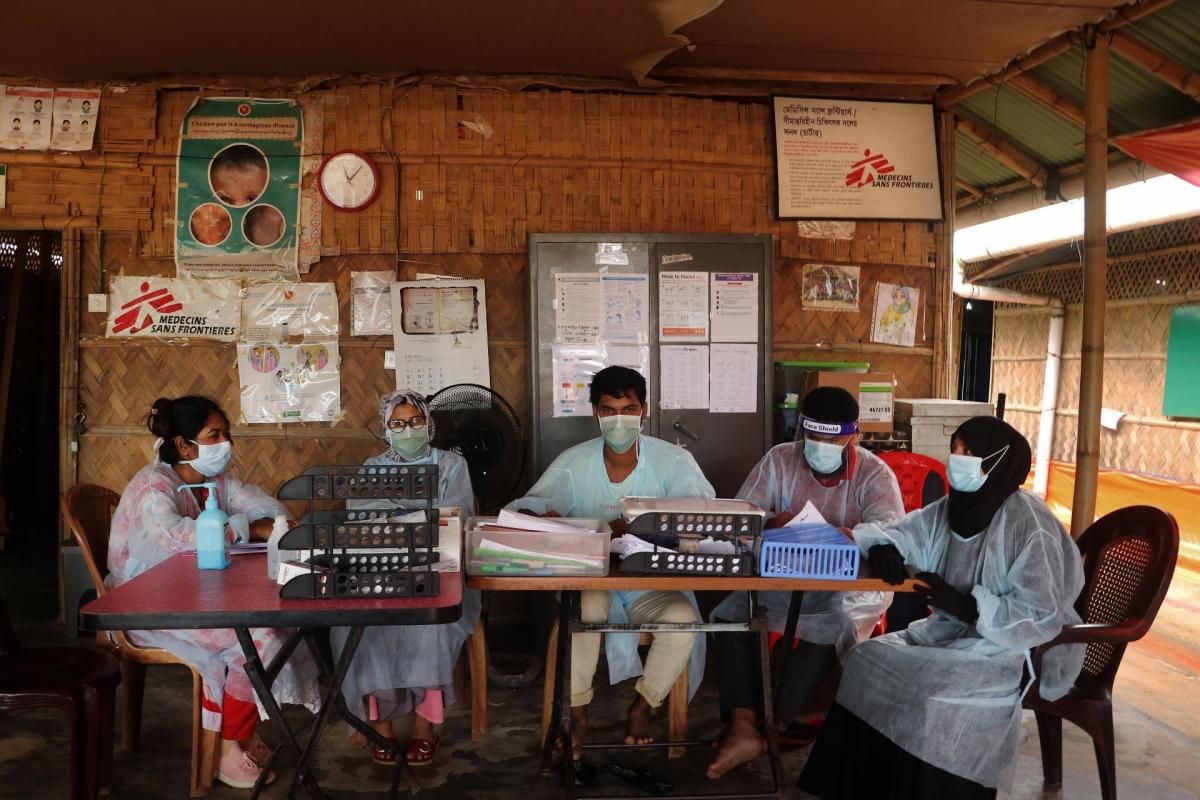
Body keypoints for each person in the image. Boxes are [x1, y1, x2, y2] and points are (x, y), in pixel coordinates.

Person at [797, 417, 1085, 799]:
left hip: (1011, 649)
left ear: (997, 460)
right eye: (956, 449)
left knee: (929, 689)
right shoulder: (955, 506)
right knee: (865, 658)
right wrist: (883, 546)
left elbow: (1041, 613)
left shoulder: (1028, 521)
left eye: (967, 451)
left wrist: (971, 609)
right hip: (952, 633)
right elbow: (907, 532)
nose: (956, 459)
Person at [107, 396, 320, 790]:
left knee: (276, 626)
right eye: (215, 435)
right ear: (184, 446)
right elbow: (172, 540)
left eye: (226, 433)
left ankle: (235, 734)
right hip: (148, 606)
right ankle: (225, 746)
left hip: (197, 598)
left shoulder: (215, 484)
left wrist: (265, 522)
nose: (226, 443)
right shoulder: (153, 485)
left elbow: (269, 509)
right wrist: (244, 529)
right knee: (257, 637)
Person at [506, 366, 714, 761]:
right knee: (584, 610)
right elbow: (527, 510)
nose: (619, 420)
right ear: (595, 413)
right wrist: (548, 520)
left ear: (645, 410)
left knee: (685, 621)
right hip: (592, 582)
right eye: (609, 410)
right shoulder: (574, 463)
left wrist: (639, 527)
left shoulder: (673, 462)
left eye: (629, 408)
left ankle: (643, 706)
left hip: (653, 585)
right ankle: (578, 712)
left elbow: (697, 520)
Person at [706, 386, 904, 779]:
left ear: (854, 433)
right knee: (730, 615)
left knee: (834, 625)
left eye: (833, 438)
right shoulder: (779, 460)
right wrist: (771, 523)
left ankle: (774, 722)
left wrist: (846, 534)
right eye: (814, 437)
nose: (822, 445)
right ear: (802, 431)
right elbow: (745, 515)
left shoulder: (872, 472)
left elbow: (892, 528)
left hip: (848, 584)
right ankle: (745, 724)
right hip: (780, 573)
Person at [331, 390, 479, 768]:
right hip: (383, 564)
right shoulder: (372, 467)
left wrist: (402, 516)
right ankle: (380, 727)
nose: (408, 429)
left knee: (431, 618)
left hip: (438, 563)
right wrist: (419, 515)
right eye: (398, 424)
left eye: (415, 421)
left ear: (428, 423)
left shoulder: (451, 465)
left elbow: (458, 513)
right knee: (363, 620)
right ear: (386, 429)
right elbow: (361, 517)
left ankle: (425, 728)